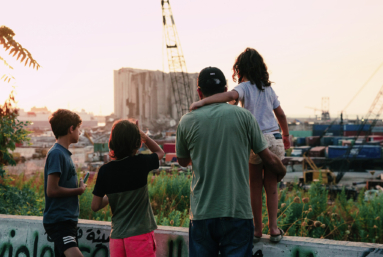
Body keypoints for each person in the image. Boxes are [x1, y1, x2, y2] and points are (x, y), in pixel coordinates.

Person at [177, 66, 286, 257]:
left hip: (203, 213)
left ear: (199, 92)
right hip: (238, 213)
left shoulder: (187, 121)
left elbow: (183, 161)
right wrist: (281, 170)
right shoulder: (245, 117)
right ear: (226, 89)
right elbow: (267, 158)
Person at [91, 120, 164, 257]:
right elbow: (160, 152)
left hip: (117, 238)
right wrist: (144, 136)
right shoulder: (141, 163)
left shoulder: (105, 171)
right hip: (140, 236)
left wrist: (112, 196)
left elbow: (95, 206)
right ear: (136, 143)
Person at [43, 109, 87, 257]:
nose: (80, 132)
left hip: (66, 220)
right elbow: (52, 190)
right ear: (71, 129)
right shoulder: (57, 153)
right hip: (59, 221)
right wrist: (78, 191)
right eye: (78, 128)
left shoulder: (64, 153)